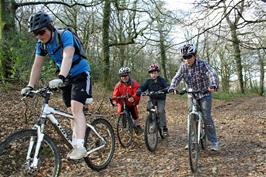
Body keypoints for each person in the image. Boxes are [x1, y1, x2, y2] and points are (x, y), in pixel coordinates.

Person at [21, 11, 91, 159]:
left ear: (50, 27)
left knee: (75, 108)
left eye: (41, 32)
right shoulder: (41, 44)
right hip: (66, 77)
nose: (39, 36)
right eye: (35, 34)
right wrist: (30, 85)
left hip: (81, 73)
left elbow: (68, 56)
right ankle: (76, 140)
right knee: (70, 112)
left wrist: (60, 76)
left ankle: (80, 146)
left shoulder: (64, 35)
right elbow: (37, 65)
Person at [168, 44, 220, 151]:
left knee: (206, 117)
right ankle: (192, 141)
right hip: (191, 94)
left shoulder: (202, 64)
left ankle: (214, 142)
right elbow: (177, 77)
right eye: (184, 57)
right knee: (191, 117)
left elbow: (211, 73)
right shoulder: (183, 67)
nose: (187, 59)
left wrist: (213, 84)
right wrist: (172, 87)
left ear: (195, 55)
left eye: (189, 56)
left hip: (205, 93)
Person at [136, 64, 169, 136]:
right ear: (150, 74)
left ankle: (164, 127)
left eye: (155, 73)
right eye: (152, 73)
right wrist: (139, 90)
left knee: (160, 111)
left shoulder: (161, 80)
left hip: (161, 98)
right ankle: (151, 122)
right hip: (152, 98)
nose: (153, 74)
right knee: (150, 109)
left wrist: (166, 89)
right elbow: (142, 87)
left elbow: (167, 86)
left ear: (158, 73)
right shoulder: (148, 81)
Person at [112, 67, 143, 135]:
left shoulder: (133, 83)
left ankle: (137, 125)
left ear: (128, 75)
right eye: (122, 76)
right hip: (122, 102)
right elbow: (115, 94)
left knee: (134, 113)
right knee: (120, 112)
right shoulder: (118, 85)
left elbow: (137, 92)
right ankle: (123, 126)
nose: (124, 77)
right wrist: (114, 100)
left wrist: (133, 97)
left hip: (131, 103)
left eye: (125, 75)